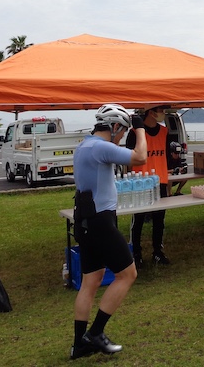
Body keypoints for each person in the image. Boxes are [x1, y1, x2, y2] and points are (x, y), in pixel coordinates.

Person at [70, 104, 147, 359]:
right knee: (128, 274)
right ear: (114, 126)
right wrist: (140, 130)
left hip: (85, 219)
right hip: (100, 220)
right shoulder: (101, 147)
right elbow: (140, 157)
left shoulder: (84, 145)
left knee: (91, 280)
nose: (123, 136)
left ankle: (79, 344)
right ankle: (95, 333)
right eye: (123, 131)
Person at [126, 105, 172, 267]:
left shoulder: (164, 132)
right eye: (161, 111)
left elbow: (167, 156)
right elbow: (128, 159)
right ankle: (136, 253)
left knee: (159, 219)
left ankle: (158, 252)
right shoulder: (134, 133)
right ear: (151, 113)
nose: (163, 114)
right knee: (138, 219)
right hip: (141, 182)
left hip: (160, 181)